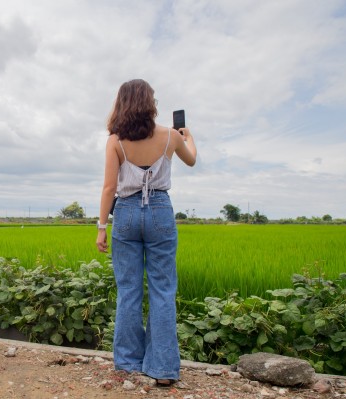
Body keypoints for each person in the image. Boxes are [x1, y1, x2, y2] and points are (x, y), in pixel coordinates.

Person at [96, 79, 197, 386]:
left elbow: (109, 187)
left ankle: (127, 364)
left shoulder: (116, 140)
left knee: (128, 290)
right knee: (163, 290)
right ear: (150, 103)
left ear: (122, 103)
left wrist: (102, 227)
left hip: (125, 213)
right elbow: (191, 159)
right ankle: (163, 368)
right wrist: (188, 137)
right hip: (160, 211)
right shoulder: (170, 136)